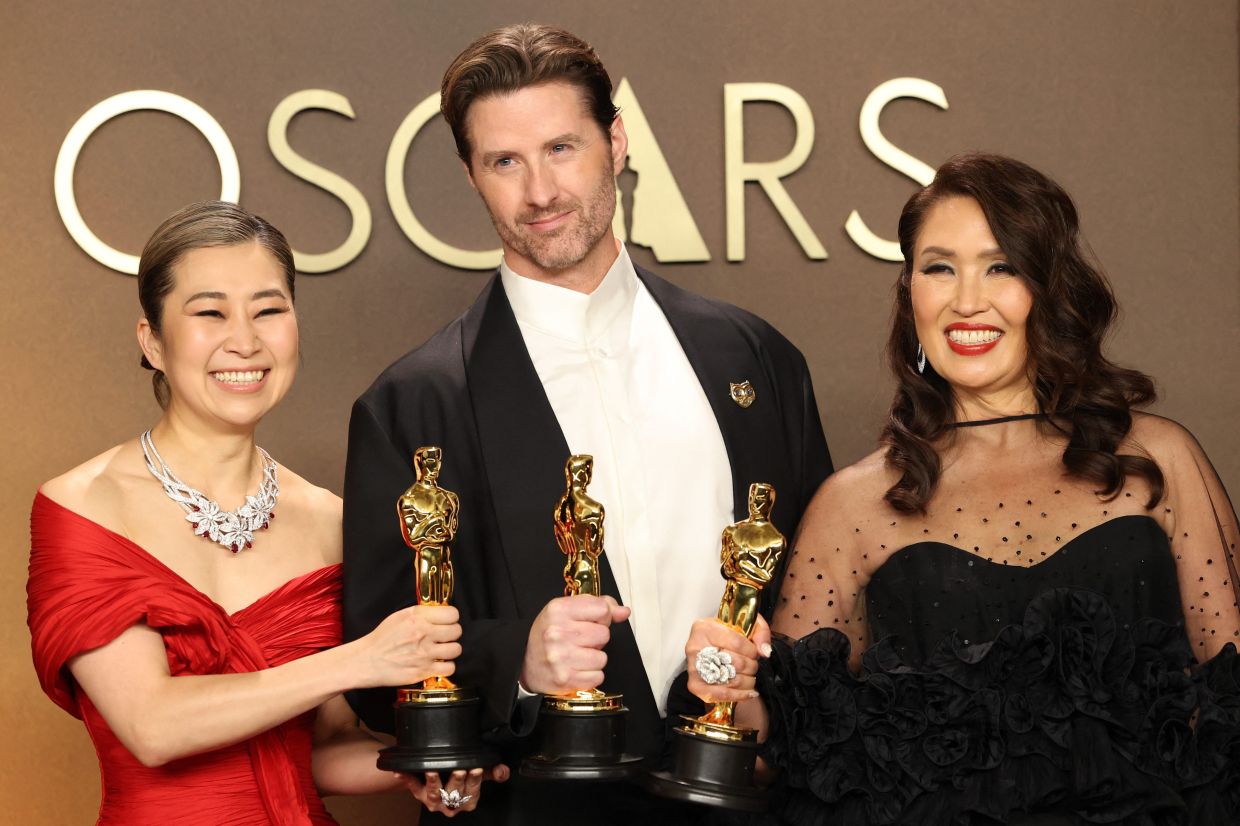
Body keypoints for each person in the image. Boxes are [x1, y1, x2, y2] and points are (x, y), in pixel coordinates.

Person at [341, 23, 832, 824]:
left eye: (562, 148)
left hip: (751, 804)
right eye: (505, 161)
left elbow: (823, 604)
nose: (540, 191)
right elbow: (373, 673)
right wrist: (520, 662)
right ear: (472, 177)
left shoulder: (754, 358)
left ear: (617, 140)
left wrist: (765, 704)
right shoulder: (414, 402)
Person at [682, 153, 1240, 824]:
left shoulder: (1157, 460)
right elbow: (805, 760)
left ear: (1050, 288)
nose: (966, 299)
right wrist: (736, 695)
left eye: (1000, 266)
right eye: (939, 267)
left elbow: (1229, 695)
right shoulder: (852, 505)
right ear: (910, 291)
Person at [27, 201, 501, 825]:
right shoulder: (84, 507)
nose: (245, 340)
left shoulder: (330, 520)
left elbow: (317, 749)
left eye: (269, 310)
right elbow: (153, 725)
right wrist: (364, 658)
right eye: (210, 312)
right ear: (152, 340)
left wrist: (428, 767)